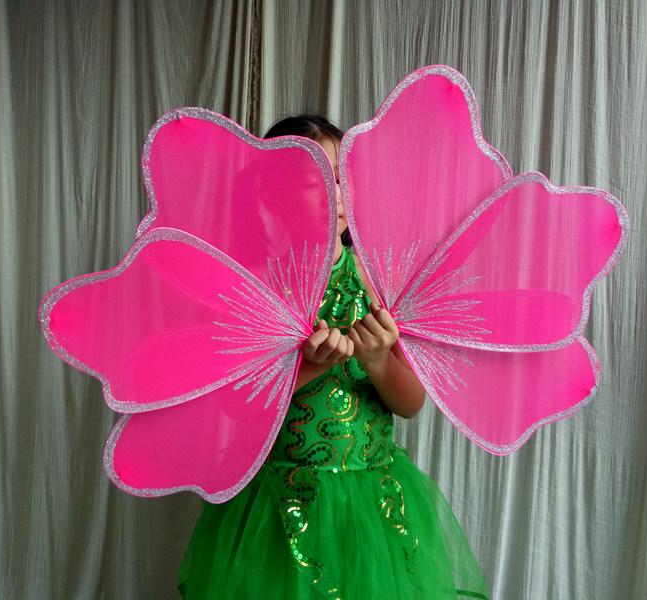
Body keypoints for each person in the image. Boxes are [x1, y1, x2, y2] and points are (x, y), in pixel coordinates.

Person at [178, 115, 489, 600]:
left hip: (374, 502)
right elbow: (235, 407)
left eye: (343, 178)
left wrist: (379, 361)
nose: (336, 194)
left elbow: (410, 403)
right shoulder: (256, 283)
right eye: (316, 181)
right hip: (283, 505)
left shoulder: (375, 277)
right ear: (271, 195)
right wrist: (312, 365)